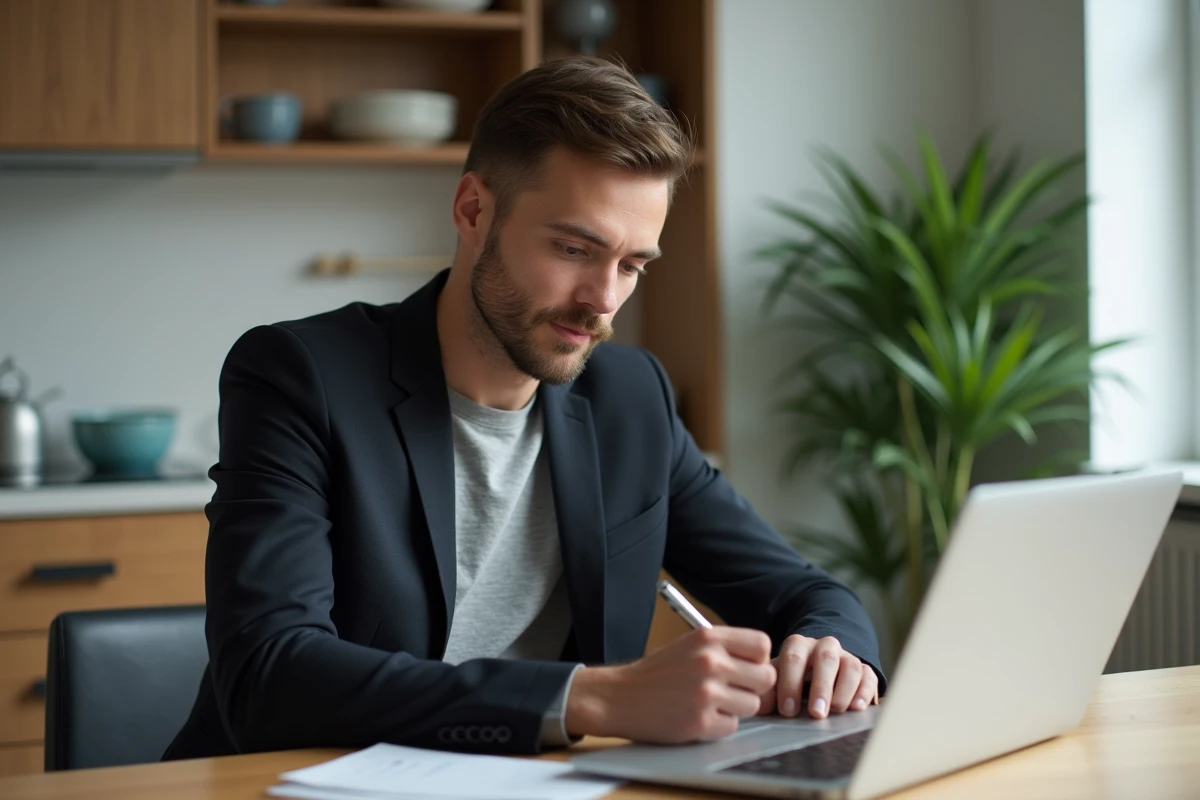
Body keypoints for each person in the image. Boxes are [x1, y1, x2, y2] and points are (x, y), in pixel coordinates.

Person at [164, 56, 883, 761]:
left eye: (632, 265)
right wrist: (590, 699)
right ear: (474, 210)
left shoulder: (631, 398)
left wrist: (832, 653)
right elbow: (268, 675)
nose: (604, 300)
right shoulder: (302, 377)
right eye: (575, 248)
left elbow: (804, 592)